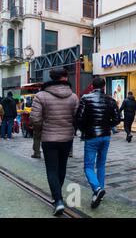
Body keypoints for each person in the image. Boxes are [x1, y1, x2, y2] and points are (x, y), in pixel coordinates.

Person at [29, 68, 79, 216]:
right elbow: (77, 117)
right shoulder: (73, 96)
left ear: (51, 78)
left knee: (51, 169)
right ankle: (58, 196)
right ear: (64, 78)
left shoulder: (41, 95)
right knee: (61, 168)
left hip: (49, 138)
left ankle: (58, 200)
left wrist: (44, 128)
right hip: (66, 138)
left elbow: (35, 119)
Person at [76, 78, 120, 209]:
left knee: (88, 166)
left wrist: (85, 129)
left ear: (92, 86)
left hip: (91, 136)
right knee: (101, 164)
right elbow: (117, 119)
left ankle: (97, 188)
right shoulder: (110, 100)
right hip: (105, 136)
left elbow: (79, 118)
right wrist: (107, 125)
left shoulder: (85, 98)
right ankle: (100, 189)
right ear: (104, 86)